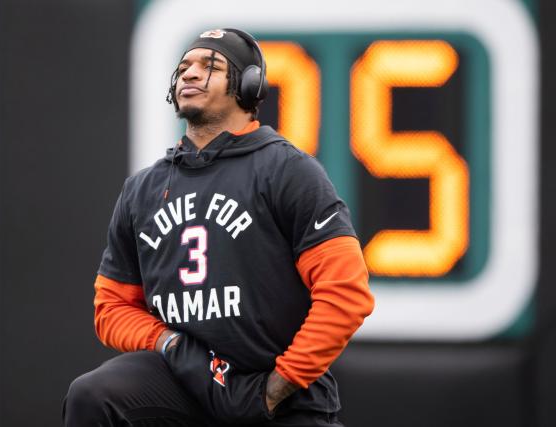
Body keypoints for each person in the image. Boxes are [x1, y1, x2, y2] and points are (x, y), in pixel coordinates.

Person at [63, 28, 374, 427]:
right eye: (184, 68)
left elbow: (347, 292)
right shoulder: (143, 189)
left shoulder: (288, 170)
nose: (190, 75)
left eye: (210, 66)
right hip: (184, 383)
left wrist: (280, 384)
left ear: (248, 85)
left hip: (280, 393)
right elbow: (111, 308)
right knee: (94, 395)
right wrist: (169, 342)